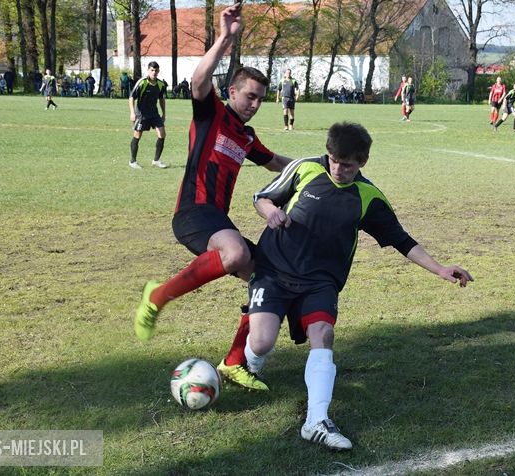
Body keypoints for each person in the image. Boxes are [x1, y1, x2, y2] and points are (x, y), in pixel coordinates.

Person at [235, 122, 473, 450]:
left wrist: (440, 268)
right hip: (274, 270)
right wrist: (271, 212)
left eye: (348, 164)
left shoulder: (368, 196)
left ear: (363, 162)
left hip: (320, 281)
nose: (339, 168)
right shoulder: (305, 169)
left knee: (324, 334)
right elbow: (262, 197)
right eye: (334, 160)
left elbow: (401, 240)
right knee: (261, 342)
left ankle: (316, 421)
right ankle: (250, 364)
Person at [133, 2, 293, 392]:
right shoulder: (212, 114)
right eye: (249, 96)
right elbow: (198, 81)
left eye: (259, 99)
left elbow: (276, 164)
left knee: (270, 278)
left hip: (217, 220)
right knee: (236, 254)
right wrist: (224, 37)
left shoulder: (247, 136)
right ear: (232, 91)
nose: (254, 105)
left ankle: (235, 362)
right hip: (193, 212)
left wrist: (322, 167)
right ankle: (157, 295)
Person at [127, 61, 169, 169]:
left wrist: (164, 113)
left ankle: (156, 160)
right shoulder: (142, 82)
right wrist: (132, 113)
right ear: (148, 70)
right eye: (152, 70)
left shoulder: (160, 84)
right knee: (137, 136)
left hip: (154, 113)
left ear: (158, 71)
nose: (154, 72)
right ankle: (132, 161)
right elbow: (131, 97)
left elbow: (161, 99)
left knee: (162, 134)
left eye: (156, 70)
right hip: (141, 114)